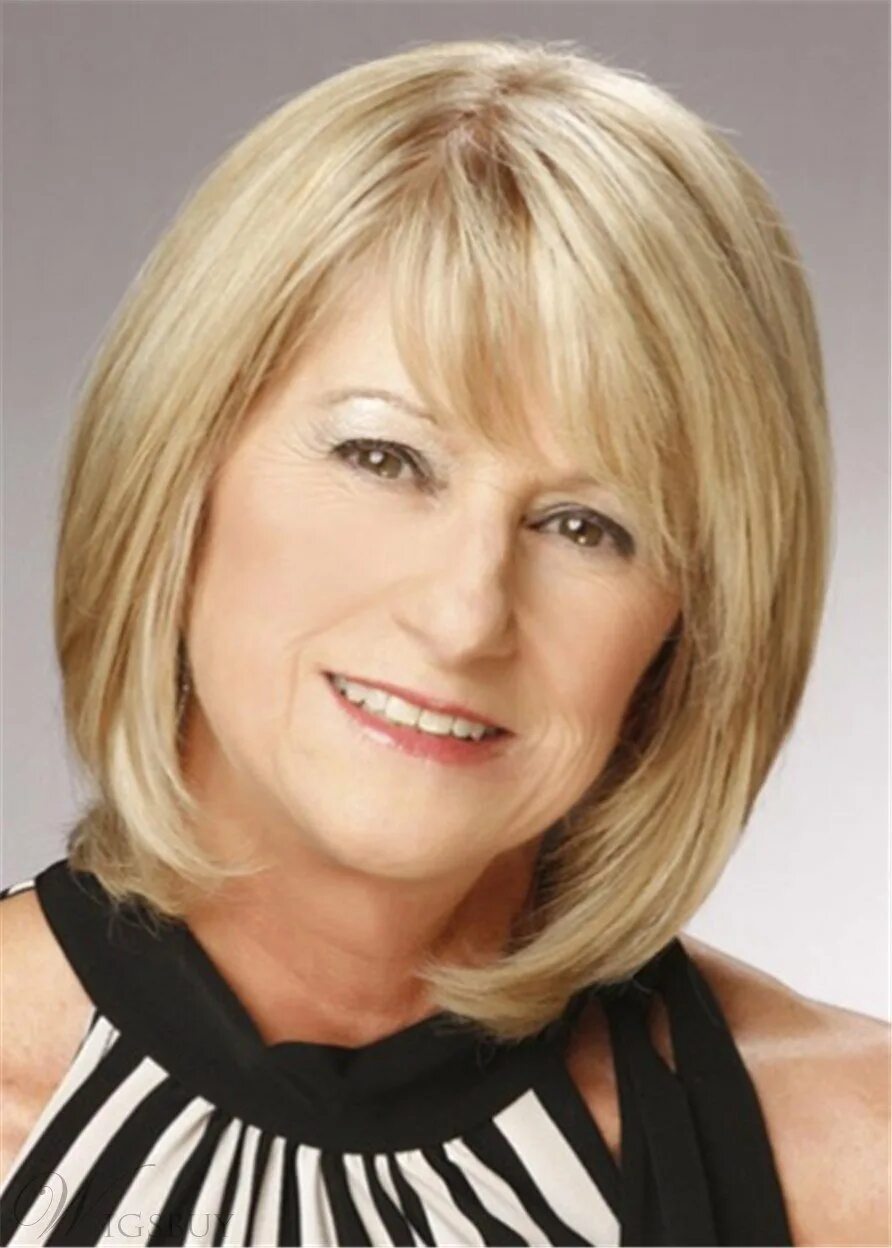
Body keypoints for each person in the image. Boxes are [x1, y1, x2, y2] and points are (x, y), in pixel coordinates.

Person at [1, 36, 888, 1248]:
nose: (466, 616)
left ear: (689, 628)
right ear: (179, 466)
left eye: (587, 526)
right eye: (384, 457)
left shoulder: (856, 1169)